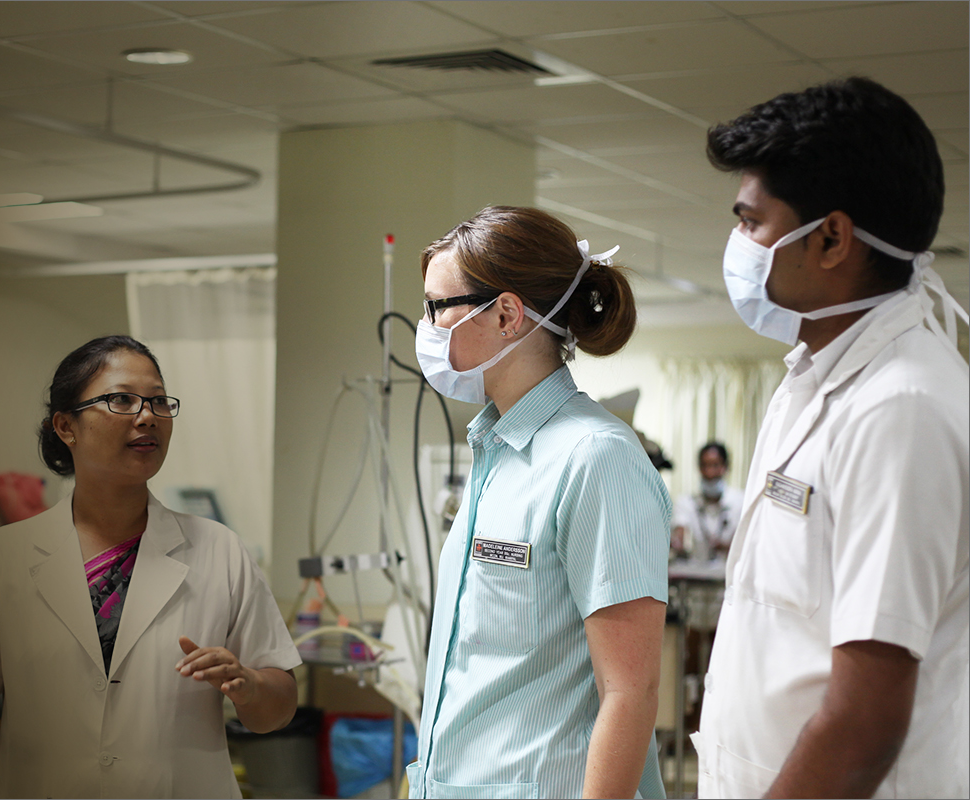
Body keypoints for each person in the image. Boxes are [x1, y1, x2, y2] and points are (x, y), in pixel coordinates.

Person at [693, 77, 969, 799]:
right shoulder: (813, 379)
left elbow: (864, 719)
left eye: (752, 223)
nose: (739, 245)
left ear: (832, 238)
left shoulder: (899, 408)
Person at [0, 336, 300, 798]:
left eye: (159, 401)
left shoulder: (220, 551)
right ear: (65, 426)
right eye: (122, 400)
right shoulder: (5, 556)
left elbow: (279, 706)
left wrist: (250, 686)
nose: (147, 416)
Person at [408, 205, 671, 799]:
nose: (427, 327)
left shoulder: (594, 458)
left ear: (506, 315)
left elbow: (630, 694)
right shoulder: (495, 451)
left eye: (436, 307)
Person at [671, 442, 743, 561]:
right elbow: (680, 530)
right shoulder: (687, 502)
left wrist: (725, 547)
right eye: (704, 465)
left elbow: (746, 544)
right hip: (697, 569)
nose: (709, 472)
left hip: (728, 570)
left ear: (725, 467)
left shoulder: (740, 502)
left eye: (715, 465)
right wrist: (677, 542)